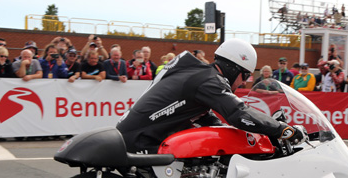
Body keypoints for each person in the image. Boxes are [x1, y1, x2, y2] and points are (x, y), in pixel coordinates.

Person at [116, 38, 303, 154]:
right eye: (245, 75)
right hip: (142, 141)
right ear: (232, 69)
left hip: (136, 136)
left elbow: (206, 117)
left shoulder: (200, 74)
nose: (245, 82)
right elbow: (239, 114)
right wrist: (283, 129)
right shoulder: (210, 81)